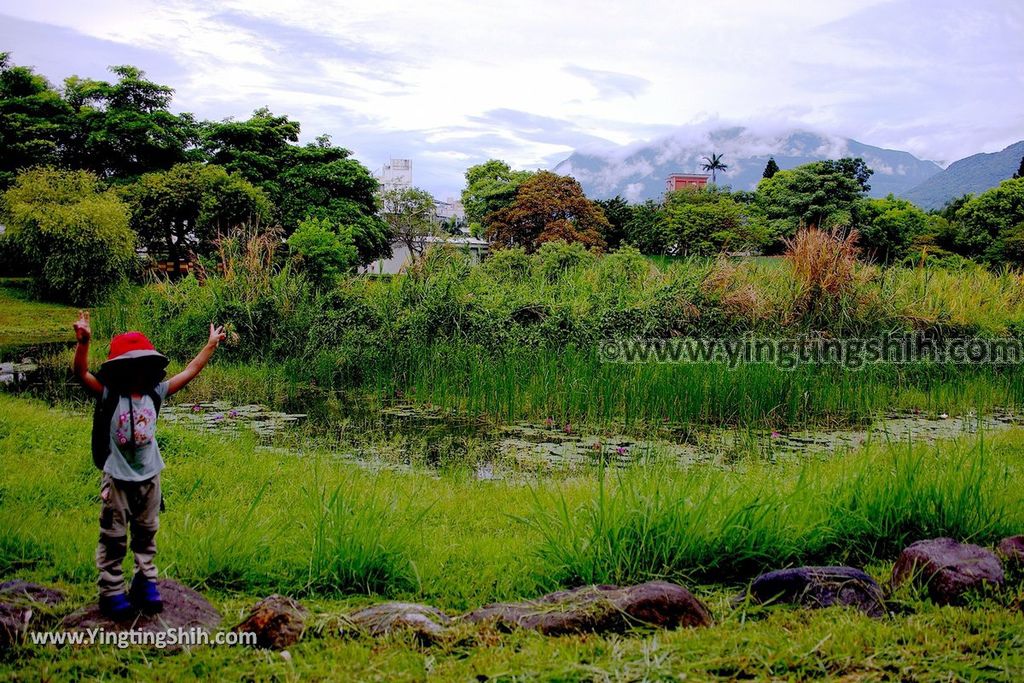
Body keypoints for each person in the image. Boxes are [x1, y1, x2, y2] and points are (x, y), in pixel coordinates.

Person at [72, 311, 225, 619]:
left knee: (146, 532)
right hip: (117, 479)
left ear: (150, 369)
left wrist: (210, 345)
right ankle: (112, 589)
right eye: (130, 367)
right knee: (113, 535)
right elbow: (82, 374)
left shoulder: (156, 393)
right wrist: (84, 343)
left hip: (150, 477)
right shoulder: (109, 396)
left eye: (142, 366)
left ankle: (145, 581)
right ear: (117, 371)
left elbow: (191, 370)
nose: (137, 373)